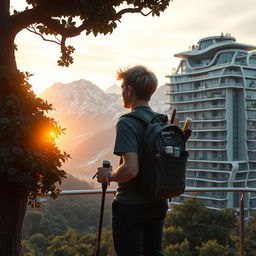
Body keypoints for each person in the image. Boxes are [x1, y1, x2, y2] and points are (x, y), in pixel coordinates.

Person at [96, 65, 168, 256]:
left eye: (122, 87)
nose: (121, 92)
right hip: (158, 201)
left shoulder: (127, 123)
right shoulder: (161, 120)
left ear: (130, 90)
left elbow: (131, 169)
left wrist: (109, 176)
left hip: (131, 205)